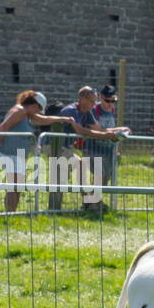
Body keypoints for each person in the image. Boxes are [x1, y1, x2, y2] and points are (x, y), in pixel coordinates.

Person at [0, 91, 76, 212]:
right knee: (14, 185)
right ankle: (8, 213)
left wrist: (65, 118)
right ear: (34, 105)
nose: (38, 113)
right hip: (9, 153)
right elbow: (4, 127)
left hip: (19, 155)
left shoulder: (27, 114)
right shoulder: (19, 111)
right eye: (39, 110)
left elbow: (46, 119)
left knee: (18, 187)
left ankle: (11, 213)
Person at [58, 86, 124, 215]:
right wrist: (105, 136)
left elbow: (98, 129)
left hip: (65, 148)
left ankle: (87, 201)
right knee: (70, 172)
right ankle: (88, 202)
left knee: (75, 168)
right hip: (54, 145)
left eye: (95, 102)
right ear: (82, 99)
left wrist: (119, 130)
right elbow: (81, 131)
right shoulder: (71, 110)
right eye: (92, 101)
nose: (94, 105)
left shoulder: (87, 112)